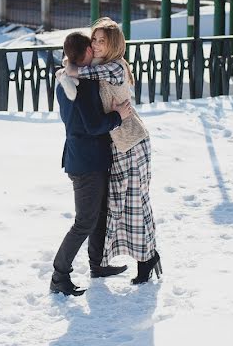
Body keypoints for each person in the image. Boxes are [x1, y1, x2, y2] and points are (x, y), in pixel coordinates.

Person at [64, 17, 161, 285]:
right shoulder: (101, 66)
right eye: (93, 39)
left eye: (101, 41)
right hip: (118, 144)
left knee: (134, 202)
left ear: (113, 45)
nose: (94, 44)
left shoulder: (114, 68)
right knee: (122, 205)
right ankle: (139, 256)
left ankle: (147, 259)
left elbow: (80, 73)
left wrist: (66, 68)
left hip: (131, 141)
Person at [50, 31, 133, 296]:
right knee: (84, 221)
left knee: (96, 216)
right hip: (87, 162)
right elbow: (94, 125)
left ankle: (97, 264)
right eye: (91, 47)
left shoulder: (66, 79)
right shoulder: (82, 87)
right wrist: (119, 115)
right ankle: (59, 275)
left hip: (83, 157)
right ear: (85, 53)